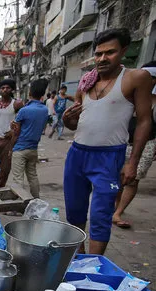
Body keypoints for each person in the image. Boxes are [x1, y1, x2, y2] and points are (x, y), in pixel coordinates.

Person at [62, 28, 153, 255]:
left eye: (109, 52)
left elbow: (144, 121)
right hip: (77, 154)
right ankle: (79, 259)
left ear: (123, 51)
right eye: (99, 53)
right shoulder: (86, 81)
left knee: (101, 215)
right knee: (74, 213)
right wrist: (67, 120)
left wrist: (133, 161)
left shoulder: (135, 78)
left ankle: (94, 266)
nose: (102, 59)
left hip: (109, 156)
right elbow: (75, 124)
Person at [112, 61, 156, 229]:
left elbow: (146, 125)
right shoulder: (127, 96)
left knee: (132, 179)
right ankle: (116, 204)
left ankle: (118, 212)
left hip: (145, 146)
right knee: (117, 179)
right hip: (121, 143)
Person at [9, 79, 49, 199]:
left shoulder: (24, 110)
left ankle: (17, 206)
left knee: (17, 179)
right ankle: (36, 201)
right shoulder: (44, 110)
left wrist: (10, 148)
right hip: (33, 149)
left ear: (30, 92)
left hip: (20, 148)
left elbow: (16, 133)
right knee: (33, 176)